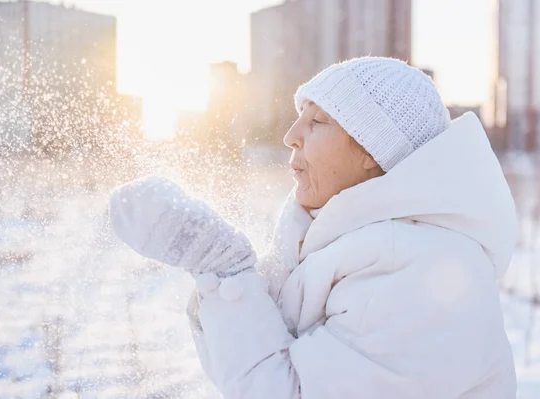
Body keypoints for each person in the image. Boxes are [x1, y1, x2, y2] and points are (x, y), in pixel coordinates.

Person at [109, 57, 517, 398]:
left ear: (372, 151)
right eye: (298, 117)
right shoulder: (337, 242)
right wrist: (216, 272)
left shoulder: (418, 270)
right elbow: (249, 367)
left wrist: (225, 272)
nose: (290, 136)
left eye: (318, 121)